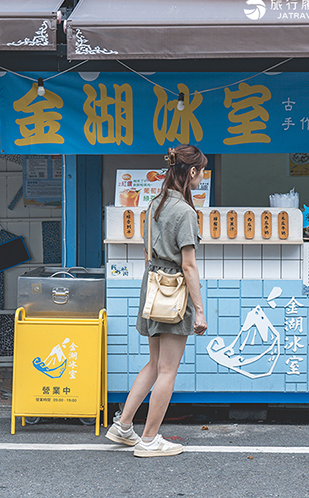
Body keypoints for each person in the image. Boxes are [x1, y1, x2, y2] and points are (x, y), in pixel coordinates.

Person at [106, 145, 208, 457]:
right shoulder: (186, 213)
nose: (202, 176)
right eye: (201, 171)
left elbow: (148, 252)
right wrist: (199, 311)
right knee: (167, 370)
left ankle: (123, 426)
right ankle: (149, 440)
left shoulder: (155, 205)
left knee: (154, 364)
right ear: (190, 172)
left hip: (152, 289)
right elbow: (188, 266)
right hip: (174, 294)